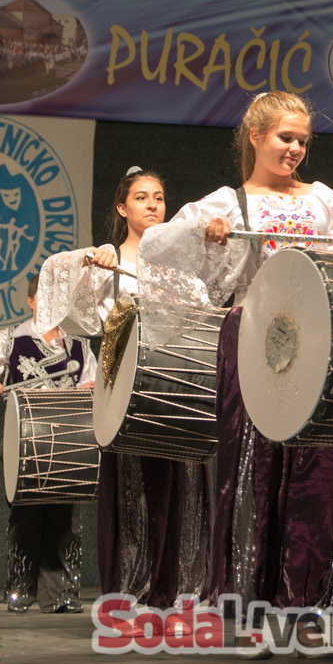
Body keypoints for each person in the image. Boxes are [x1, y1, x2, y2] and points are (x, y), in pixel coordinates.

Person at [151, 91, 333, 658]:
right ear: (256, 136)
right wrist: (202, 233)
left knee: (320, 474)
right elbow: (160, 251)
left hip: (317, 338)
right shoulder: (227, 202)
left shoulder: (323, 198)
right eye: (286, 137)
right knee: (253, 472)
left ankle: (307, 609)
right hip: (253, 336)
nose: (295, 149)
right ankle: (252, 611)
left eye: (303, 141)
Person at [34, 167, 210, 609]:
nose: (152, 205)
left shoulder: (178, 267)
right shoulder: (108, 259)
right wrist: (90, 259)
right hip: (127, 388)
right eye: (141, 197)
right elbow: (54, 278)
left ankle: (173, 592)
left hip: (173, 385)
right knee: (131, 489)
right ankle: (129, 592)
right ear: (122, 208)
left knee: (178, 487)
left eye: (159, 197)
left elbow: (203, 318)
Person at [0, 275, 97, 614]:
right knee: (26, 515)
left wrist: (92, 389)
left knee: (65, 518)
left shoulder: (78, 346)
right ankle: (21, 590)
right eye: (44, 298)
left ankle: (62, 594)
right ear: (31, 301)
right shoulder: (9, 340)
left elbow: (94, 384)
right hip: (24, 442)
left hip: (67, 442)